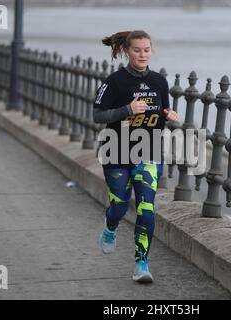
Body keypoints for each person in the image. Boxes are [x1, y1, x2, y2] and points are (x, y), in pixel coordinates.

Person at [92, 30, 178, 283]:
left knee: (147, 209)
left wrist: (168, 115)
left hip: (148, 153)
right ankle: (110, 228)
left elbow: (160, 112)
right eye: (137, 50)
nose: (143, 54)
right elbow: (98, 115)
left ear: (152, 51)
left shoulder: (159, 81)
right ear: (127, 52)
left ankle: (141, 264)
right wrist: (127, 109)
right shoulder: (114, 81)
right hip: (116, 151)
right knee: (119, 206)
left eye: (147, 50)